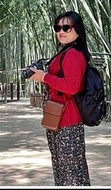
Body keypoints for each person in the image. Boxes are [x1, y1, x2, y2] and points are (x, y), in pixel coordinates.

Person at [27, 10, 92, 186]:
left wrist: (45, 77)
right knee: (63, 170)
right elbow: (60, 84)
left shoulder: (73, 54)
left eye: (66, 27)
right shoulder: (65, 51)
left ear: (77, 29)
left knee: (70, 172)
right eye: (58, 27)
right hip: (57, 119)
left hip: (67, 121)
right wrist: (42, 76)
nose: (61, 31)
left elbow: (72, 86)